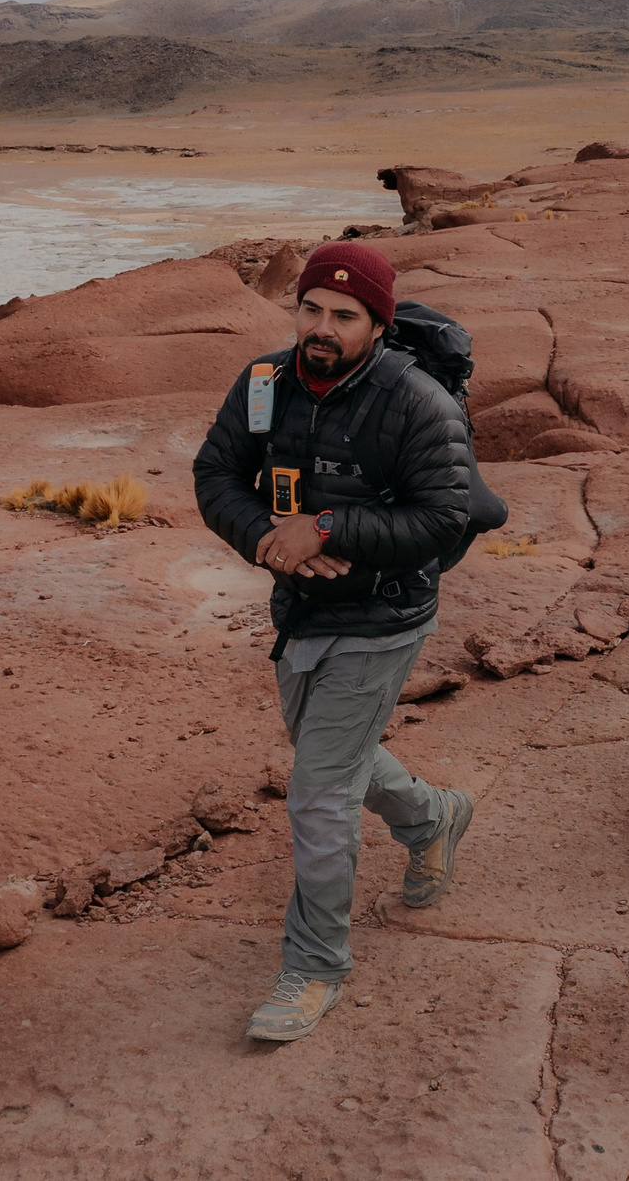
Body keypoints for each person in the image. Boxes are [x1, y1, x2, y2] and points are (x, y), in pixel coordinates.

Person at [192, 241, 478, 1042]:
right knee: (334, 756)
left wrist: (325, 523)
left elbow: (444, 516)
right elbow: (215, 475)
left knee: (318, 791)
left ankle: (315, 965)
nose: (322, 327)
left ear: (377, 323)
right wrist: (265, 541)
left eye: (344, 316)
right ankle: (432, 818)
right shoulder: (264, 385)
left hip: (384, 617)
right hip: (302, 610)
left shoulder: (416, 400)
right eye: (310, 308)